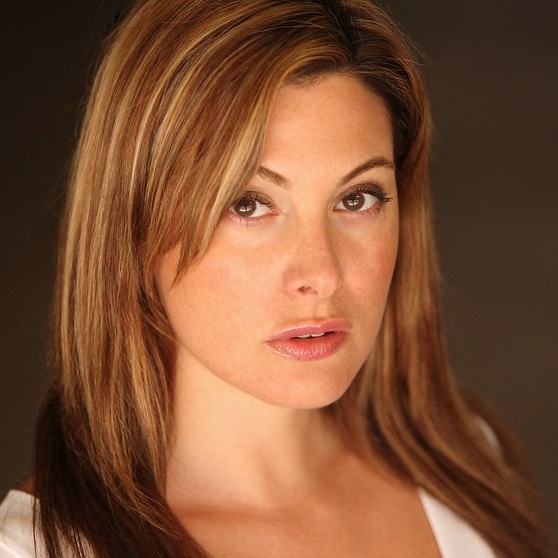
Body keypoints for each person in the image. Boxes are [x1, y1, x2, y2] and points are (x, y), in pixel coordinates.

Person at [0, 0, 550, 556]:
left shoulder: (465, 468)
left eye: (356, 199)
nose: (322, 275)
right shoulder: (34, 549)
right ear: (134, 221)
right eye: (247, 204)